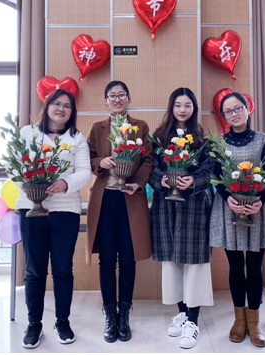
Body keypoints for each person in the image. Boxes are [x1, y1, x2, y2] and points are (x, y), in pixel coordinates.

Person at [15, 89, 92, 349]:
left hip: (65, 210)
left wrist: (65, 183)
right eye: (56, 104)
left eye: (67, 106)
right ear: (47, 106)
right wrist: (31, 186)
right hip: (30, 209)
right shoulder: (27, 134)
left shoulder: (77, 138)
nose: (61, 109)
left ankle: (62, 321)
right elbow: (13, 167)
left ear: (72, 112)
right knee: (34, 270)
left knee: (62, 269)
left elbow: (84, 172)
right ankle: (34, 324)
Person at [209, 92, 265, 348]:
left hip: (258, 209)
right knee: (235, 267)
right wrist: (228, 198)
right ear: (224, 116)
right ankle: (238, 320)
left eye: (238, 108)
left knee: (254, 267)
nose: (234, 114)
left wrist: (258, 201)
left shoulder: (263, 140)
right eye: (228, 111)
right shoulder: (219, 142)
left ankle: (254, 323)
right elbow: (216, 176)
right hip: (229, 209)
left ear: (247, 109)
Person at [86, 81, 155, 343]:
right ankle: (110, 315)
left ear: (128, 98)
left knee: (128, 258)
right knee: (106, 260)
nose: (117, 99)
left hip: (130, 198)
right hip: (105, 200)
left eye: (122, 95)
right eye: (112, 95)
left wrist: (138, 183)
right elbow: (87, 158)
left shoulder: (140, 126)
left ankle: (124, 313)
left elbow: (148, 159)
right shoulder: (98, 128)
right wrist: (99, 162)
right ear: (106, 100)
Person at [149, 88, 215, 349]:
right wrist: (161, 179)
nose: (183, 110)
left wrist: (194, 181)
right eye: (178, 105)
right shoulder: (159, 137)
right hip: (165, 206)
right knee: (172, 261)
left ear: (194, 108)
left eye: (188, 105)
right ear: (171, 107)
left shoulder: (203, 139)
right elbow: (150, 167)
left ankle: (193, 321)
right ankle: (182, 313)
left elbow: (211, 171)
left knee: (195, 263)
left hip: (195, 208)